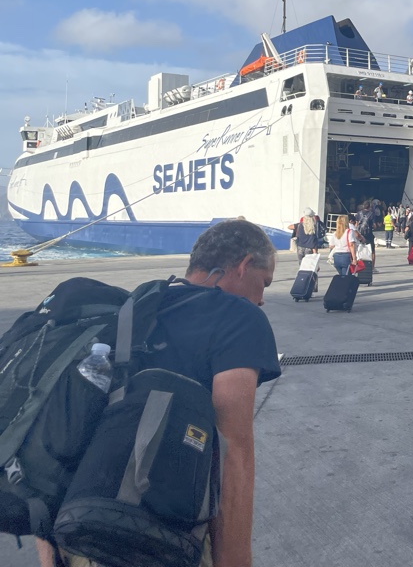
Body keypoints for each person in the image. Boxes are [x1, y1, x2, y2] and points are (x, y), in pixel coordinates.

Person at [37, 220, 281, 567]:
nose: (260, 300)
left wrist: (51, 555)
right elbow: (232, 451)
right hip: (155, 541)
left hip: (78, 533)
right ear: (243, 266)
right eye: (264, 284)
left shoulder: (132, 308)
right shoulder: (239, 317)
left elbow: (63, 432)